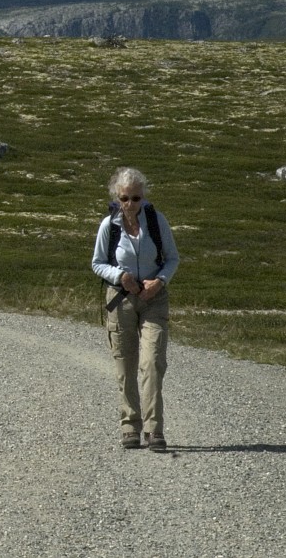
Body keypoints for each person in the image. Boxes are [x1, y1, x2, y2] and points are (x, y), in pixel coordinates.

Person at [91, 167, 180, 451]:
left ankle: (154, 430)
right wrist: (120, 277)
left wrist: (160, 280)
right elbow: (97, 263)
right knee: (125, 365)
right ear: (116, 198)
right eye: (124, 198)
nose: (130, 204)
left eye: (136, 198)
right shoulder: (109, 225)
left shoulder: (156, 221)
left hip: (155, 299)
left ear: (144, 197)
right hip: (121, 300)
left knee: (152, 362)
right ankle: (130, 426)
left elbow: (173, 258)